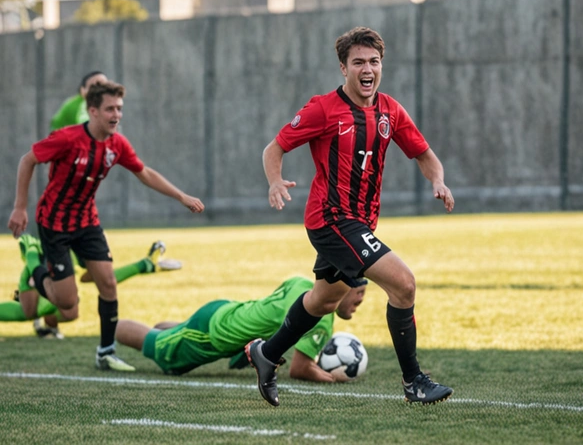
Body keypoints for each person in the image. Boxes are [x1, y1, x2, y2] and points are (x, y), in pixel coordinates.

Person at [245, 26, 455, 407]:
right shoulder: (323, 109)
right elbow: (274, 148)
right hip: (331, 220)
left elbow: (424, 154)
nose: (367, 68)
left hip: (361, 222)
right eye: (358, 62)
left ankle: (267, 353)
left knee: (324, 301)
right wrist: (275, 181)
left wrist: (438, 180)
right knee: (403, 284)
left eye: (374, 61)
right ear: (343, 68)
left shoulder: (390, 110)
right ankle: (414, 383)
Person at [7, 80, 205, 372]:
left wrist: (181, 196)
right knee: (68, 305)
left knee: (108, 284)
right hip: (54, 224)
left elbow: (145, 173)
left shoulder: (117, 144)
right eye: (110, 108)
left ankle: (106, 351)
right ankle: (35, 265)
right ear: (93, 111)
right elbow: (28, 160)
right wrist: (20, 207)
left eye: (120, 108)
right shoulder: (67, 138)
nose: (117, 115)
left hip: (87, 222)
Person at [115, 276, 366, 382]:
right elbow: (299, 369)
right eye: (359, 292)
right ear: (342, 287)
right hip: (212, 334)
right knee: (162, 353)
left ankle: (172, 331)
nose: (361, 300)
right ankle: (108, 333)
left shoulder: (302, 283)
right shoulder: (320, 317)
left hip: (227, 314)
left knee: (174, 335)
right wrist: (334, 377)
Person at [0, 234, 181, 339]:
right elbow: (33, 254)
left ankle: (45, 324)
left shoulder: (82, 245)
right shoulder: (59, 243)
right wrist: (34, 265)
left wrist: (143, 266)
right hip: (36, 273)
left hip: (55, 279)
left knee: (70, 311)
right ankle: (36, 313)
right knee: (30, 311)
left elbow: (99, 278)